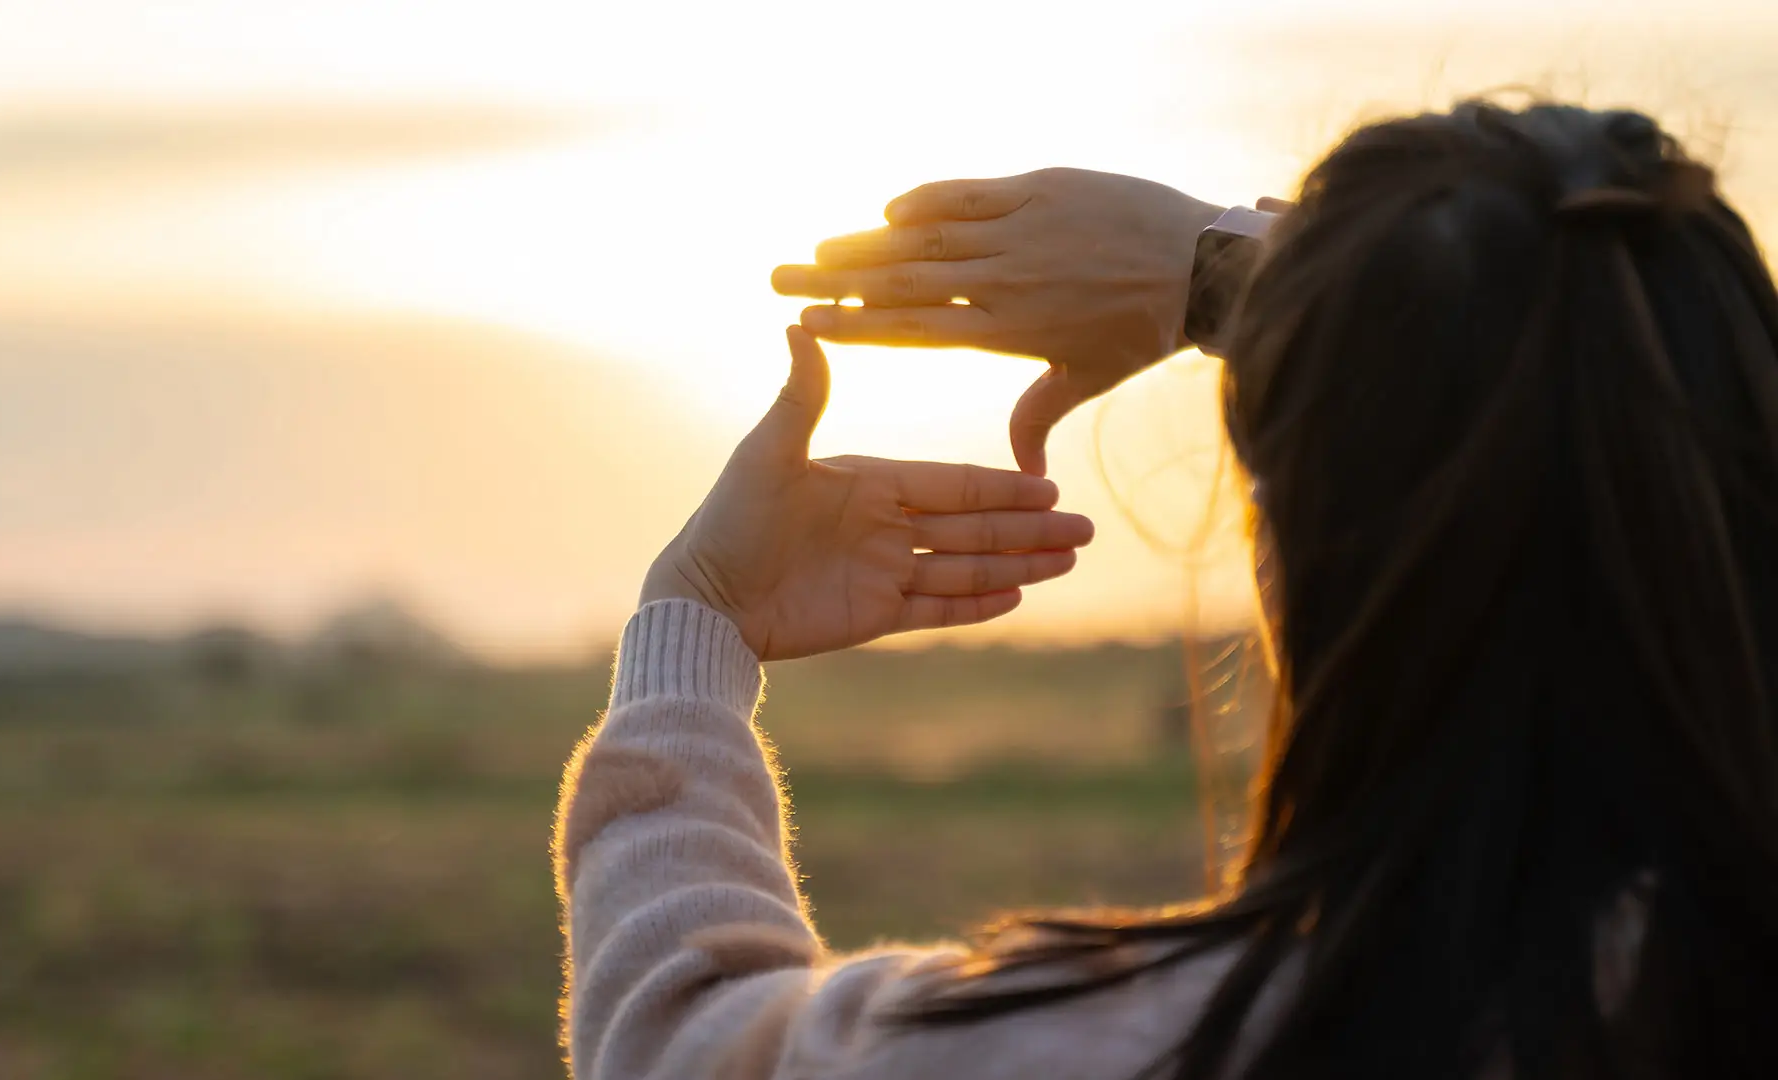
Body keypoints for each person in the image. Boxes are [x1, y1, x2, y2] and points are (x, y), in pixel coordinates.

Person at [553, 100, 1778, 1080]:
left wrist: (697, 617)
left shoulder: (1160, 1041)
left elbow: (681, 1037)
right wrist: (1229, 271)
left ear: (1302, 547)